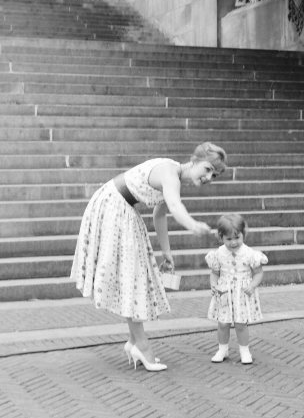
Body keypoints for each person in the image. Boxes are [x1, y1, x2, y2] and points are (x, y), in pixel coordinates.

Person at [70, 142, 227, 371]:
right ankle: (141, 345)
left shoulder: (173, 177)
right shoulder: (169, 172)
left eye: (214, 174)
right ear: (194, 161)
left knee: (134, 276)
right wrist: (192, 224)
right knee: (131, 277)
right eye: (207, 169)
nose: (209, 177)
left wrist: (167, 252)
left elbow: (160, 214)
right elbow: (173, 204)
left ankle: (135, 342)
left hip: (122, 208)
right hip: (114, 206)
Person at [206, 213, 267, 364]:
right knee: (222, 323)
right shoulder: (218, 253)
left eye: (237, 238)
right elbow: (214, 273)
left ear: (243, 235)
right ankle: (222, 349)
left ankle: (244, 351)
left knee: (240, 324)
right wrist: (213, 284)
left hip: (241, 293)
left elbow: (258, 273)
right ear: (221, 237)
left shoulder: (249, 254)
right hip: (224, 292)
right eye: (229, 239)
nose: (233, 242)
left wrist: (252, 285)